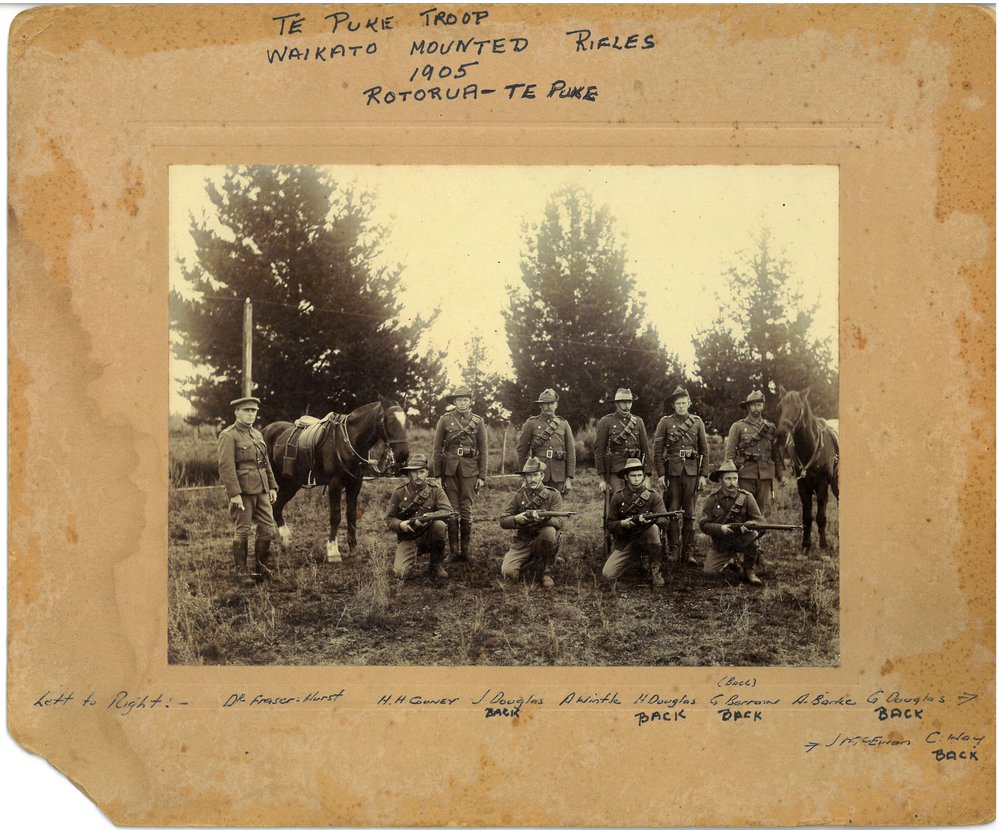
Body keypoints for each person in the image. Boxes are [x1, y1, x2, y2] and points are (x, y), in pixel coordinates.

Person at [217, 396, 278, 587]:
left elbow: (265, 463)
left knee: (267, 527)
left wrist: (272, 486)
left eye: (254, 411)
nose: (251, 414)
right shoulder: (229, 435)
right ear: (237, 412)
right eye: (247, 410)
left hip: (261, 489)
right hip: (243, 492)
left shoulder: (258, 435)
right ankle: (242, 571)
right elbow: (226, 466)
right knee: (243, 530)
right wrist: (234, 494)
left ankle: (260, 567)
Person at [652, 386, 709, 566]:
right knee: (673, 511)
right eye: (678, 403)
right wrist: (661, 474)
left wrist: (703, 475)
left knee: (690, 513)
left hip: (692, 473)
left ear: (689, 403)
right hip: (673, 473)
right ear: (673, 405)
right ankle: (674, 549)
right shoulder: (665, 423)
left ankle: (688, 551)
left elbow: (704, 451)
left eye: (684, 403)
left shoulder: (697, 422)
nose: (681, 406)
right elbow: (657, 451)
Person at [431, 385, 488, 563]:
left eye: (465, 399)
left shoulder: (478, 422)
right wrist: (438, 475)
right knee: (452, 510)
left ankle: (466, 551)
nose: (462, 403)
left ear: (470, 401)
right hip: (449, 471)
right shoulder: (445, 420)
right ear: (454, 402)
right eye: (459, 400)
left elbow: (484, 451)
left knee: (466, 509)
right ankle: (454, 551)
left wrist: (482, 476)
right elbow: (436, 448)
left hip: (471, 471)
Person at [499, 457, 566, 589]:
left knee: (549, 532)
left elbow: (559, 521)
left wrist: (544, 520)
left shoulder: (553, 495)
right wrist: (516, 519)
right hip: (523, 542)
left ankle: (547, 571)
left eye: (535, 475)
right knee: (508, 573)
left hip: (542, 538)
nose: (533, 479)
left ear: (541, 475)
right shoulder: (519, 496)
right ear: (524, 477)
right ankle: (531, 562)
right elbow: (503, 520)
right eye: (529, 476)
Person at [385, 454, 454, 581]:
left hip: (429, 535)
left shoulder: (435, 491)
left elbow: (448, 511)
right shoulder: (399, 492)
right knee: (401, 573)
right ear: (409, 474)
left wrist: (429, 516)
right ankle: (410, 555)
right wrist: (401, 525)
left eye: (421, 471)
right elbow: (389, 519)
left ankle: (435, 564)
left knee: (440, 525)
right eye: (414, 472)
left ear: (427, 473)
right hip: (409, 536)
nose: (418, 475)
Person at [602, 458, 669, 588]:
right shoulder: (618, 497)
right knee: (607, 574)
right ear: (626, 477)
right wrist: (622, 523)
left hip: (647, 540)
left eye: (639, 475)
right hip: (626, 542)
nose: (637, 479)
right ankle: (635, 562)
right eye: (633, 475)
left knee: (653, 529)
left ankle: (655, 570)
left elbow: (665, 519)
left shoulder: (653, 496)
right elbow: (609, 524)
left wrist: (651, 520)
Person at [698, 460, 765, 586]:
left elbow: (760, 520)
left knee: (753, 535)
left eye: (735, 478)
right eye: (728, 479)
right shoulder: (712, 500)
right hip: (721, 544)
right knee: (709, 573)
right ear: (720, 480)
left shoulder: (747, 497)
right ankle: (731, 561)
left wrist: (749, 525)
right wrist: (720, 528)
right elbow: (703, 525)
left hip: (742, 540)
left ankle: (748, 571)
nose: (732, 482)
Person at [724, 390, 785, 517]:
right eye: (753, 405)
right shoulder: (738, 426)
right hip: (745, 474)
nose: (756, 408)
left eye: (759, 405)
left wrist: (780, 475)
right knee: (743, 509)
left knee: (759, 511)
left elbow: (776, 454)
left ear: (763, 406)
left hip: (765, 475)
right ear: (748, 407)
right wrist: (730, 477)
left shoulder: (770, 428)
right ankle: (742, 536)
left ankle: (757, 536)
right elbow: (729, 455)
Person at [516, 388, 576, 496]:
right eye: (545, 404)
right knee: (537, 508)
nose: (549, 406)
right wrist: (525, 477)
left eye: (552, 403)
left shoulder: (563, 424)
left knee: (556, 508)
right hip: (537, 474)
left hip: (559, 475)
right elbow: (522, 451)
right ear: (540, 405)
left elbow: (571, 452)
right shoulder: (531, 423)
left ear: (556, 405)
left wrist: (569, 478)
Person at [593, 387, 650, 493]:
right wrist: (602, 478)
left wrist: (647, 476)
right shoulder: (606, 421)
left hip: (635, 468)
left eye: (629, 402)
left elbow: (645, 449)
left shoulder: (638, 421)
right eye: (624, 403)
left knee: (636, 501)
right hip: (615, 469)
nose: (627, 406)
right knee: (617, 500)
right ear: (617, 404)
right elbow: (599, 451)